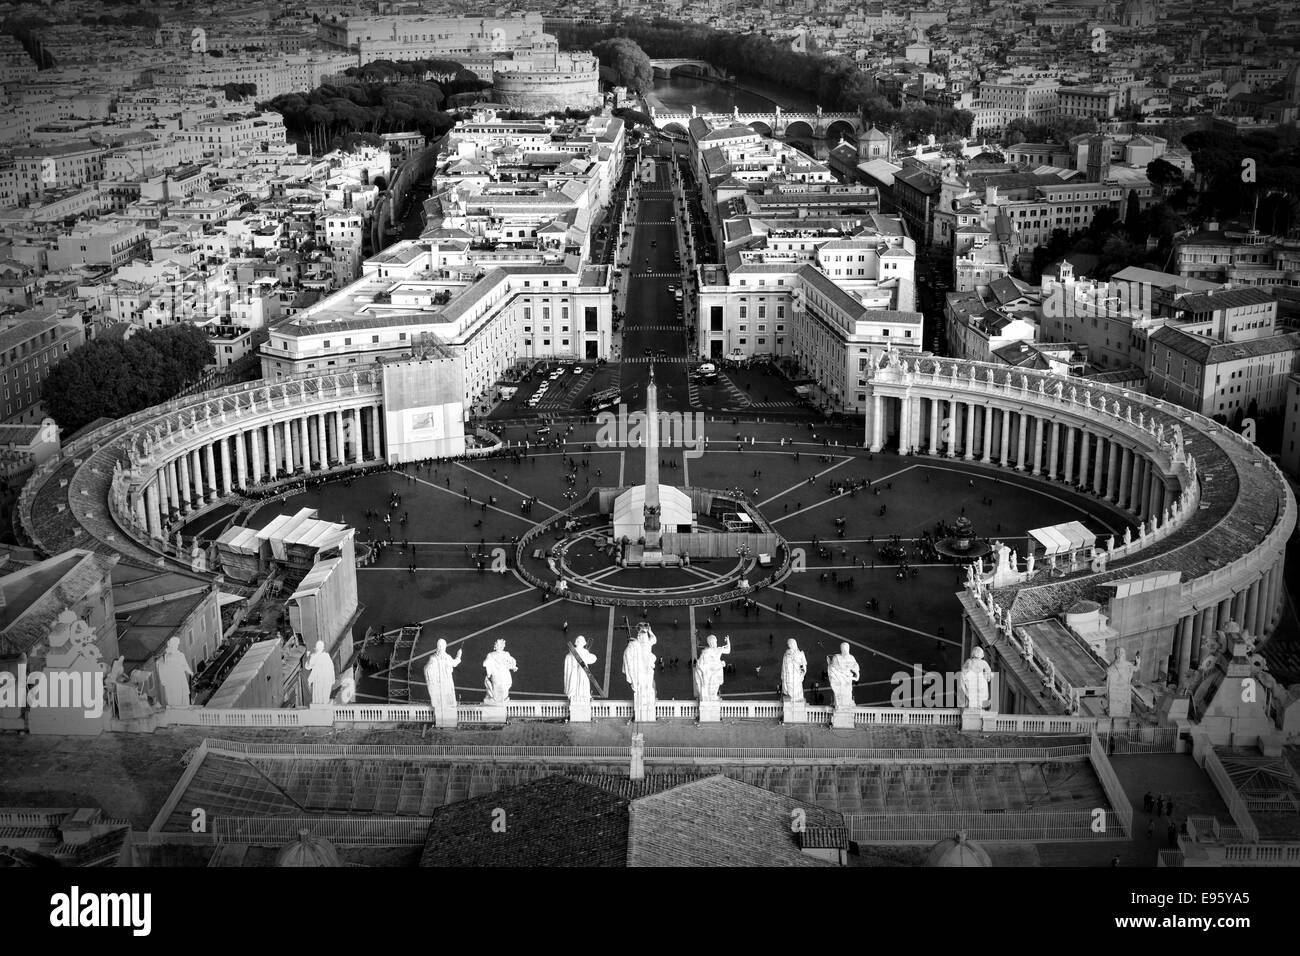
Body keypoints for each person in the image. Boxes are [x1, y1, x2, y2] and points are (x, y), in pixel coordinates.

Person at [693, 634, 731, 702]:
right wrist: (720, 663)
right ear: (709, 644)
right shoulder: (707, 652)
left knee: (716, 684)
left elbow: (728, 650)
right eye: (711, 643)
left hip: (718, 670)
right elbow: (704, 663)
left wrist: (728, 641)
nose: (713, 644)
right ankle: (711, 697)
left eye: (714, 642)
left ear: (716, 641)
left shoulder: (719, 649)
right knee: (711, 683)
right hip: (711, 671)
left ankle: (713, 696)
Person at [483, 639, 518, 705]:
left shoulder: (505, 653)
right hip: (496, 674)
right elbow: (485, 663)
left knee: (505, 688)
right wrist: (490, 662)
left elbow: (513, 660)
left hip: (505, 674)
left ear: (502, 646)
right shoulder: (490, 654)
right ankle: (497, 702)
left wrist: (513, 666)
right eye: (496, 644)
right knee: (496, 689)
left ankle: (502, 701)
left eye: (498, 644)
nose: (496, 645)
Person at [564, 636, 598, 703]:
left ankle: (572, 696)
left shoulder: (570, 653)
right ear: (584, 643)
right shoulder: (585, 652)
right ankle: (586, 696)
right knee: (584, 684)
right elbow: (592, 659)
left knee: (574, 683)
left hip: (573, 673)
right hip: (583, 672)